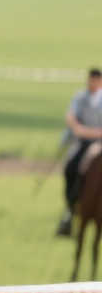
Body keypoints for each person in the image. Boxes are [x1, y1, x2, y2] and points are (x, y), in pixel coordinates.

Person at [58, 67, 102, 237]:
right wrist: (78, 129)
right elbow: (71, 118)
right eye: (90, 80)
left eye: (95, 81)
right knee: (71, 167)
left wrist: (85, 131)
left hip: (99, 143)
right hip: (83, 142)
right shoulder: (80, 97)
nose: (92, 83)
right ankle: (70, 208)